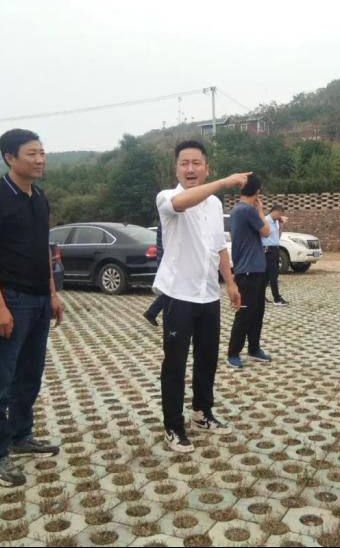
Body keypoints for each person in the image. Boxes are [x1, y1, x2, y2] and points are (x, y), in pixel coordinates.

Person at [0, 129, 64, 488]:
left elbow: (43, 249)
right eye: (32, 154)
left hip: (39, 300)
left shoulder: (39, 197)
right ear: (10, 158)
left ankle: (20, 434)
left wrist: (52, 294)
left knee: (29, 374)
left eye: (42, 152)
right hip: (10, 299)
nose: (40, 160)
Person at [153, 140, 246, 453]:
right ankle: (173, 425)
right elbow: (183, 202)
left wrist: (230, 283)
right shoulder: (167, 197)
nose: (190, 169)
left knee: (207, 358)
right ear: (176, 168)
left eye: (196, 163)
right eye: (184, 163)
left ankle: (202, 413)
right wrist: (223, 182)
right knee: (175, 363)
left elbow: (219, 246)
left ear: (206, 167)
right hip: (178, 294)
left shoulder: (215, 205)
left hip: (208, 295)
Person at [227, 174, 272, 370]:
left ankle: (254, 348)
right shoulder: (247, 210)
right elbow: (266, 231)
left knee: (257, 311)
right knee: (245, 313)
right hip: (248, 271)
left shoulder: (236, 209)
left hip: (255, 269)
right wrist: (260, 210)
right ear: (258, 192)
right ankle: (233, 353)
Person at [262, 204, 288, 306]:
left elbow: (277, 237)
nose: (280, 216)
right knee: (273, 275)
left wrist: (281, 225)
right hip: (268, 250)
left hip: (275, 249)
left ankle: (261, 296)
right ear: (275, 211)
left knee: (267, 276)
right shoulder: (265, 221)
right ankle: (276, 299)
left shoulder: (275, 222)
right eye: (280, 214)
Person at [143, 219, 164, 326]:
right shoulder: (166, 221)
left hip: (164, 259)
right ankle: (151, 313)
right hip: (166, 260)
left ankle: (151, 313)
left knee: (169, 291)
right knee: (170, 291)